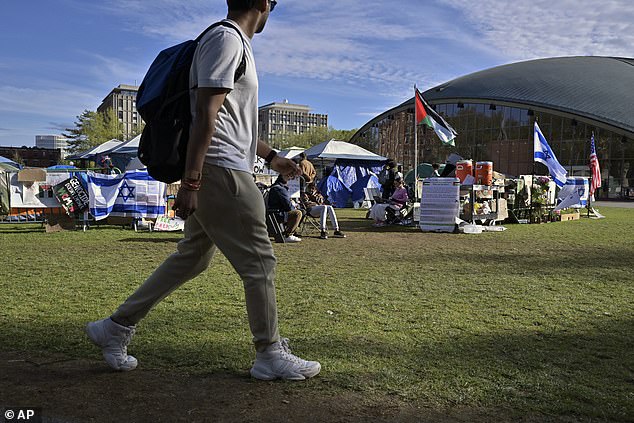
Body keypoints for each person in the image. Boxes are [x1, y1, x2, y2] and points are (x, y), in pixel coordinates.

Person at [85, 0, 321, 382]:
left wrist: (273, 156)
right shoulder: (226, 39)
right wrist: (191, 181)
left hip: (222, 166)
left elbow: (230, 121)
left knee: (192, 257)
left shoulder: (231, 43)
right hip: (221, 171)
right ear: (263, 3)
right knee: (260, 263)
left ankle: (116, 327)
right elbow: (204, 116)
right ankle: (269, 353)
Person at [267, 174, 304, 242]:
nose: (289, 179)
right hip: (277, 214)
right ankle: (288, 234)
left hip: (273, 212)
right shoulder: (280, 189)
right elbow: (288, 206)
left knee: (300, 211)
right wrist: (294, 207)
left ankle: (288, 232)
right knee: (298, 213)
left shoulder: (275, 187)